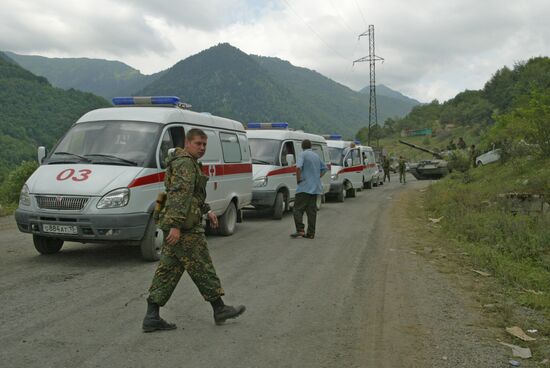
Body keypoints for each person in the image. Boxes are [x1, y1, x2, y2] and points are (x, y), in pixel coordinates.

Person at [142, 128, 245, 332]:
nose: (202, 148)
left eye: (205, 144)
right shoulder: (185, 164)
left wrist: (207, 210)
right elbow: (180, 195)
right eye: (198, 143)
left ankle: (151, 316)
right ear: (188, 143)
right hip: (185, 228)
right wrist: (176, 226)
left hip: (180, 222)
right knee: (202, 265)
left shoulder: (183, 162)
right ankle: (219, 308)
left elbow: (190, 195)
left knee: (168, 270)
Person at [291, 139, 327, 239]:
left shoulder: (303, 155)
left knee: (297, 209)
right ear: (310, 146)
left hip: (304, 187)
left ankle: (300, 230)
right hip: (315, 188)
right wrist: (317, 177)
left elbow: (298, 167)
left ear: (302, 146)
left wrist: (298, 180)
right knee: (312, 212)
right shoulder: (316, 156)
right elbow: (324, 168)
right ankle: (311, 233)